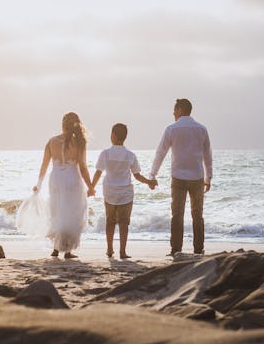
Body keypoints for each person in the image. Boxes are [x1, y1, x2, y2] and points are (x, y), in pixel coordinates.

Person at [149, 98, 212, 256]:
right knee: (197, 214)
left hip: (178, 177)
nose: (173, 112)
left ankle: (176, 249)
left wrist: (153, 174)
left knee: (177, 214)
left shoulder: (172, 129)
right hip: (197, 176)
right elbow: (207, 156)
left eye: (174, 109)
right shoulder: (202, 129)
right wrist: (208, 177)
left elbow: (160, 152)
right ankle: (198, 249)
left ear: (180, 110)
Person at [32, 112, 94, 259]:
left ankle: (55, 248)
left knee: (57, 211)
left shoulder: (51, 141)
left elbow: (44, 165)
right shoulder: (79, 142)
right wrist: (90, 186)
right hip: (72, 178)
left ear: (62, 125)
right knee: (72, 212)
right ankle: (67, 250)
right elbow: (83, 167)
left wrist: (38, 184)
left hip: (56, 179)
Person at [90, 123, 155, 259]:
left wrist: (91, 187)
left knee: (110, 221)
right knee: (124, 223)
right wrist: (149, 182)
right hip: (125, 193)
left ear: (113, 135)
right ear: (125, 137)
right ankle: (122, 252)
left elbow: (98, 172)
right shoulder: (130, 155)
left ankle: (109, 249)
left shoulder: (105, 153)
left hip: (109, 192)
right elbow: (137, 175)